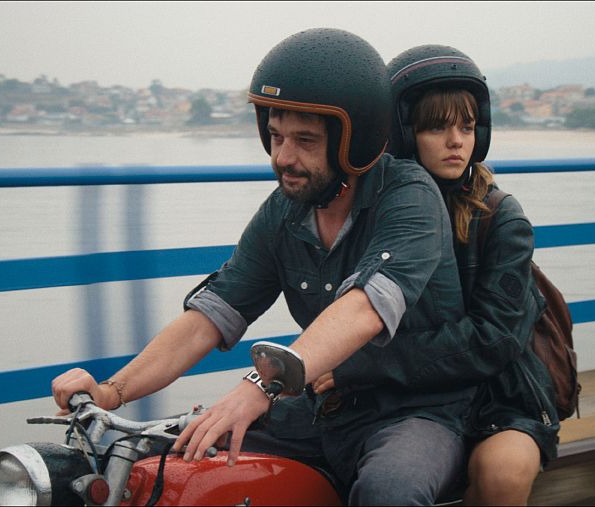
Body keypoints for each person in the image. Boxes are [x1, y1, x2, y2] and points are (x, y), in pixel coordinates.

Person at [51, 29, 477, 506]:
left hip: (415, 413)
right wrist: (112, 392)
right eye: (275, 137)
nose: (282, 158)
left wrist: (261, 385)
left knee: (388, 492)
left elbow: (363, 309)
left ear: (353, 142)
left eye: (304, 140)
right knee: (166, 464)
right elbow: (211, 316)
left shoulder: (409, 198)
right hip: (323, 409)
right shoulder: (286, 209)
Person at [385, 44, 561, 505]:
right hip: (409, 396)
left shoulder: (500, 218)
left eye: (466, 126)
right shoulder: (384, 212)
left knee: (501, 475)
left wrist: (365, 366)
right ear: (404, 133)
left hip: (498, 396)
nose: (456, 141)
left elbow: (495, 338)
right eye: (437, 127)